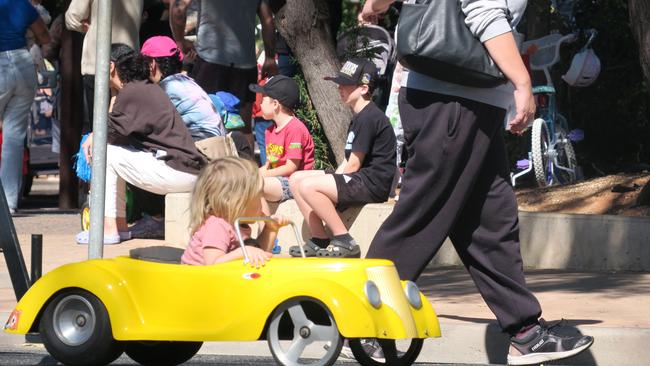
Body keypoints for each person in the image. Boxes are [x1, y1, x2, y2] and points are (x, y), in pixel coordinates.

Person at [361, 1, 594, 365]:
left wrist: (373, 7)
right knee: (423, 214)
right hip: (453, 102)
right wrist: (522, 82)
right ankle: (362, 320)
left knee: (491, 221)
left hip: (463, 99)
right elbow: (484, 12)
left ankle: (525, 331)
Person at [75, 44, 205, 245]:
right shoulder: (141, 88)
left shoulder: (132, 93)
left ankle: (109, 229)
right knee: (111, 150)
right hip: (185, 170)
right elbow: (116, 132)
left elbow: (107, 134)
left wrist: (94, 135)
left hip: (177, 171)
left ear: (110, 67)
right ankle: (119, 227)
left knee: (105, 152)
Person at [288, 59, 396, 258]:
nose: (340, 88)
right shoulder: (359, 116)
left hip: (371, 183)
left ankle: (344, 240)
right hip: (359, 178)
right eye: (340, 84)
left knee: (308, 187)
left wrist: (330, 187)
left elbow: (354, 164)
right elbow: (348, 161)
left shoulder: (370, 117)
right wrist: (332, 181)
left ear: (364, 88)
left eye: (346, 84)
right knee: (296, 180)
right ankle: (320, 239)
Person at [169, 0, 279, 148]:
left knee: (203, 122)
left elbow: (179, 8)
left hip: (210, 60)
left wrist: (180, 40)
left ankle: (205, 168)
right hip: (244, 63)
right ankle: (246, 170)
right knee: (243, 128)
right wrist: (270, 57)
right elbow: (267, 19)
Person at [181, 157, 289, 267]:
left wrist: (270, 230)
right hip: (198, 279)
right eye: (258, 197)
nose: (262, 202)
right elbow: (212, 264)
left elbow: (259, 254)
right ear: (235, 201)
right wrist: (243, 252)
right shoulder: (218, 226)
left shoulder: (239, 224)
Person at [0, 0, 50, 214]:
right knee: (14, 137)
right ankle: (9, 203)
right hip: (23, 64)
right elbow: (45, 36)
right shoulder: (23, 5)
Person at [65, 0, 144, 133]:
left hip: (97, 61)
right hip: (130, 60)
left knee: (99, 130)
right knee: (128, 128)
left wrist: (90, 28)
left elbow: (73, 17)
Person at [248, 75, 314, 209]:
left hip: (294, 183)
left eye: (263, 99)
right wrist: (254, 173)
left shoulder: (295, 128)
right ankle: (263, 227)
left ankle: (266, 228)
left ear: (275, 104)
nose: (259, 104)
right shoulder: (269, 131)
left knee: (254, 185)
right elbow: (269, 165)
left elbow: (291, 167)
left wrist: (262, 175)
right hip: (276, 180)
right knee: (244, 182)